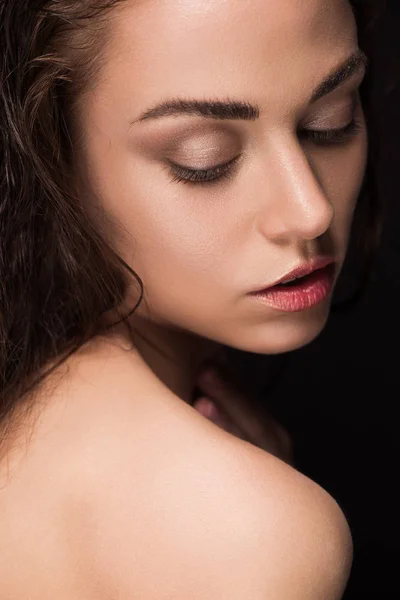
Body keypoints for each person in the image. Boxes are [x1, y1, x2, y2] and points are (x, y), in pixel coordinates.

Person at [0, 0, 383, 597]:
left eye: (329, 122)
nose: (311, 210)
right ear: (53, 154)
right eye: (205, 159)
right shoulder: (248, 531)